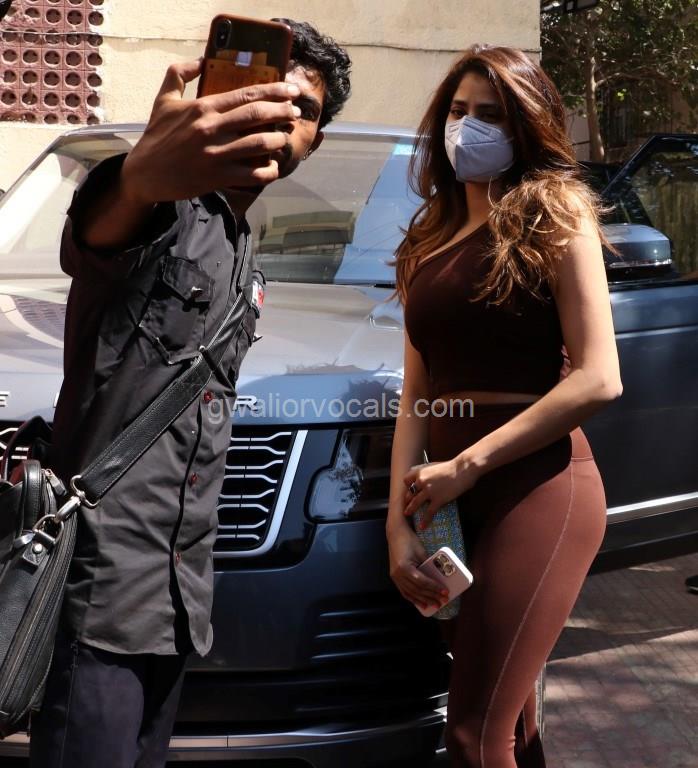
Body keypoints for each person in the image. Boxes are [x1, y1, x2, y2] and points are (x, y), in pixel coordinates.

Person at [29, 19, 350, 768]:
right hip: (100, 593)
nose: (276, 118)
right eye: (260, 96)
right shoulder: (161, 204)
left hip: (179, 599)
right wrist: (144, 171)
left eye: (300, 110)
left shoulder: (242, 241)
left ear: (313, 142)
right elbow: (101, 229)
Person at [385, 44, 622, 768]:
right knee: (511, 728)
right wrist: (397, 526)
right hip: (447, 503)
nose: (469, 127)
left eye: (491, 115)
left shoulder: (555, 212)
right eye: (458, 112)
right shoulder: (426, 239)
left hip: (540, 486)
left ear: (526, 127)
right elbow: (416, 397)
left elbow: (598, 378)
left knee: (472, 735)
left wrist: (468, 464)